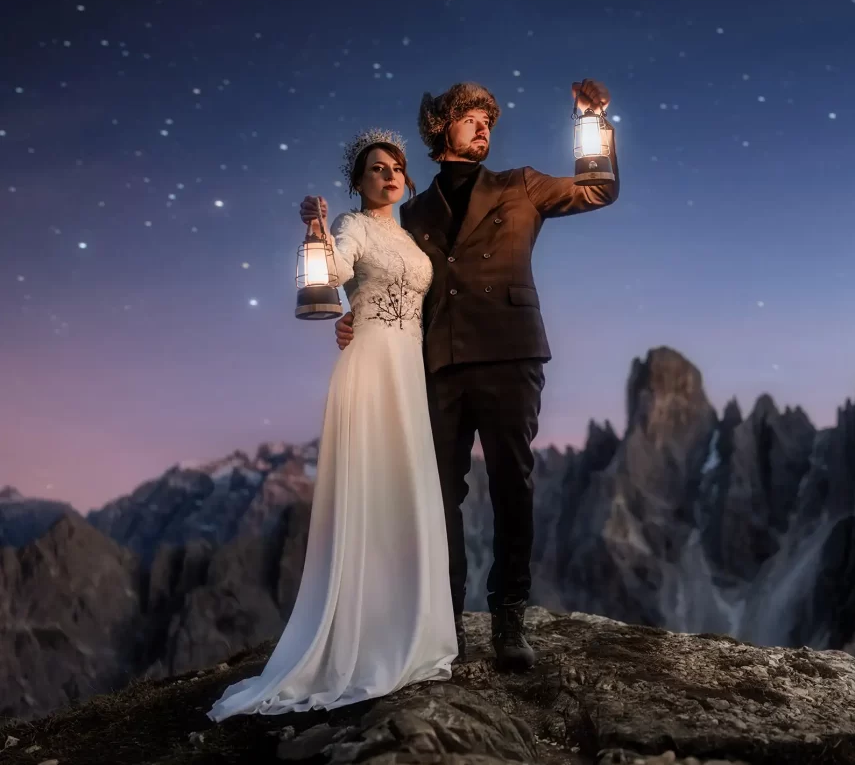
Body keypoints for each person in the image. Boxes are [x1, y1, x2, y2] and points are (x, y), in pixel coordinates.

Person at [298, 79, 618, 671]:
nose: (483, 126)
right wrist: (355, 318)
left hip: (510, 353)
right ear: (441, 127)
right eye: (470, 117)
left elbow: (599, 189)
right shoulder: (411, 213)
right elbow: (384, 276)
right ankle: (443, 621)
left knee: (512, 485)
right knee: (439, 493)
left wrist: (594, 122)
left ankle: (509, 617)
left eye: (487, 119)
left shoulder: (521, 184)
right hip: (437, 363)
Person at [209, 131, 457, 722]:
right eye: (377, 169)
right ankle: (362, 637)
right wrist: (316, 230)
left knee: (404, 487)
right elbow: (335, 272)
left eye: (396, 168)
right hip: (371, 365)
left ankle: (408, 625)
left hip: (408, 369)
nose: (389, 175)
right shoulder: (352, 226)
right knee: (372, 487)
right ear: (359, 182)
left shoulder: (408, 235)